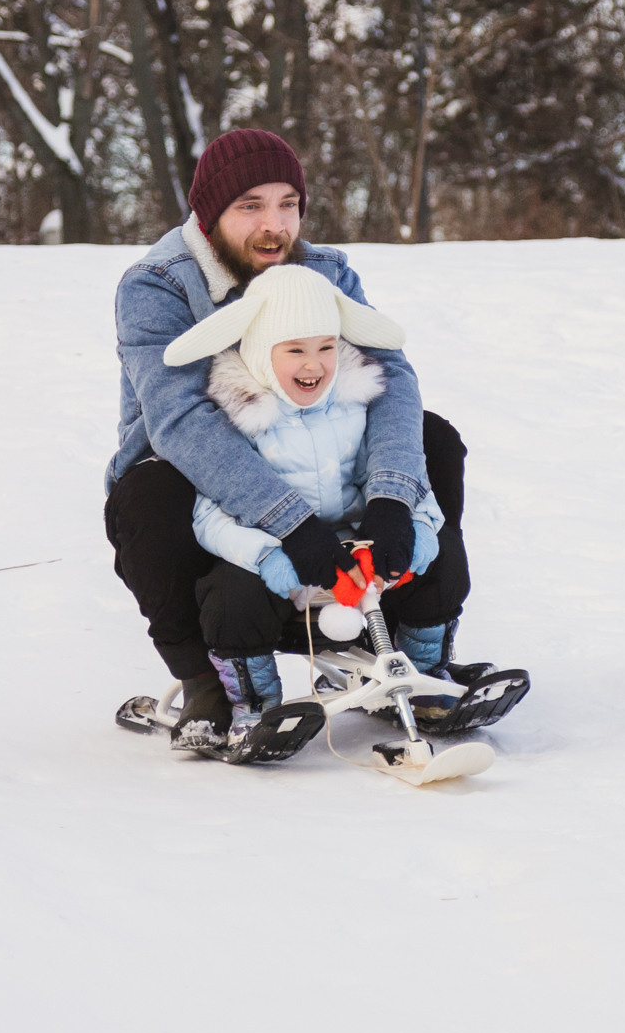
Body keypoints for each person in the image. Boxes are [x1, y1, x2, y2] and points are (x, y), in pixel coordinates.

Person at [104, 128, 472, 739]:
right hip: (208, 493)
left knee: (433, 440)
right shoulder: (158, 285)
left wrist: (389, 500)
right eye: (250, 206)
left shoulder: (325, 271)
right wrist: (291, 523)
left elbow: (392, 377)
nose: (274, 225)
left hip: (329, 472)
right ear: (209, 212)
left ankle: (407, 644)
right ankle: (207, 684)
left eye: (288, 204)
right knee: (150, 490)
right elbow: (180, 422)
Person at [163, 264, 448, 739]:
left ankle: (422, 677)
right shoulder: (236, 418)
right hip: (279, 556)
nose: (313, 364)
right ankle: (253, 707)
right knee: (231, 602)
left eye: (326, 348)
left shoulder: (357, 403)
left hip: (358, 557)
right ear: (259, 352)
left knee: (443, 567)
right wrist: (267, 556)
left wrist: (413, 524)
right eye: (295, 350)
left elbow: (408, 476)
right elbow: (209, 516)